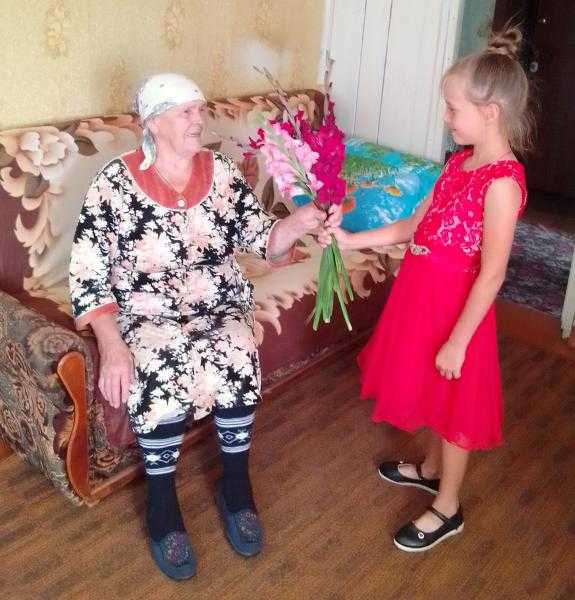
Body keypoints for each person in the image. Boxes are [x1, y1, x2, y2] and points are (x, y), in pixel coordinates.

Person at [69, 72, 341, 579]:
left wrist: (297, 224)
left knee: (237, 349)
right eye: (186, 112)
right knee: (159, 363)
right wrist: (111, 342)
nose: (200, 119)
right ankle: (161, 503)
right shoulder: (113, 182)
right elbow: (87, 271)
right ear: (154, 122)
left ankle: (235, 486)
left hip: (218, 301)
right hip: (146, 310)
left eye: (200, 109)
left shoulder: (220, 170)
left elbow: (260, 236)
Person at [329, 26, 532, 552]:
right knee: (432, 390)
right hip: (422, 299)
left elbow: (493, 273)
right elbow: (412, 226)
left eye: (453, 109)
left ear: (490, 112)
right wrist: (351, 239)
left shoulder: (502, 182)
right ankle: (430, 469)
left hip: (458, 310)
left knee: (455, 404)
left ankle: (448, 506)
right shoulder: (459, 163)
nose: (446, 117)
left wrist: (459, 341)